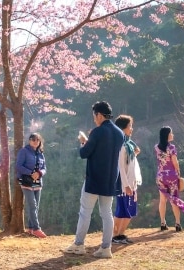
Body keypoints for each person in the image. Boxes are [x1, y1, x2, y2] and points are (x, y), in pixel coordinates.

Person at [64, 101, 124, 259]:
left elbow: (84, 153)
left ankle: (79, 244)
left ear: (99, 115)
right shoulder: (120, 133)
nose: (94, 119)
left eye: (94, 116)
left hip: (94, 178)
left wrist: (84, 141)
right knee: (107, 213)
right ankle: (106, 248)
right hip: (111, 178)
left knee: (85, 212)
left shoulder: (97, 132)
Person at [112, 115, 141, 244]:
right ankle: (116, 235)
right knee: (123, 211)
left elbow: (129, 163)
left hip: (131, 183)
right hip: (125, 185)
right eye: (129, 126)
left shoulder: (128, 145)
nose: (131, 129)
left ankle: (119, 234)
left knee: (126, 211)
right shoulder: (122, 146)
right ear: (122, 128)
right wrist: (126, 185)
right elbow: (121, 168)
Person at [155, 126, 184, 232]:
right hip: (171, 176)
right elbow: (175, 162)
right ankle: (178, 223)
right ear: (167, 135)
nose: (172, 135)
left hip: (160, 176)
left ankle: (162, 223)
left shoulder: (156, 147)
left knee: (162, 200)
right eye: (171, 133)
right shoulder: (172, 147)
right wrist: (178, 172)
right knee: (174, 199)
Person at [15, 133, 47, 238]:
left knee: (35, 206)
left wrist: (39, 173)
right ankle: (37, 229)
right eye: (33, 139)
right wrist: (30, 173)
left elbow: (44, 168)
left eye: (37, 140)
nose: (35, 141)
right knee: (32, 205)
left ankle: (30, 228)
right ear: (29, 141)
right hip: (26, 182)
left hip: (38, 182)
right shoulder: (24, 151)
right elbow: (18, 166)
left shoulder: (40, 153)